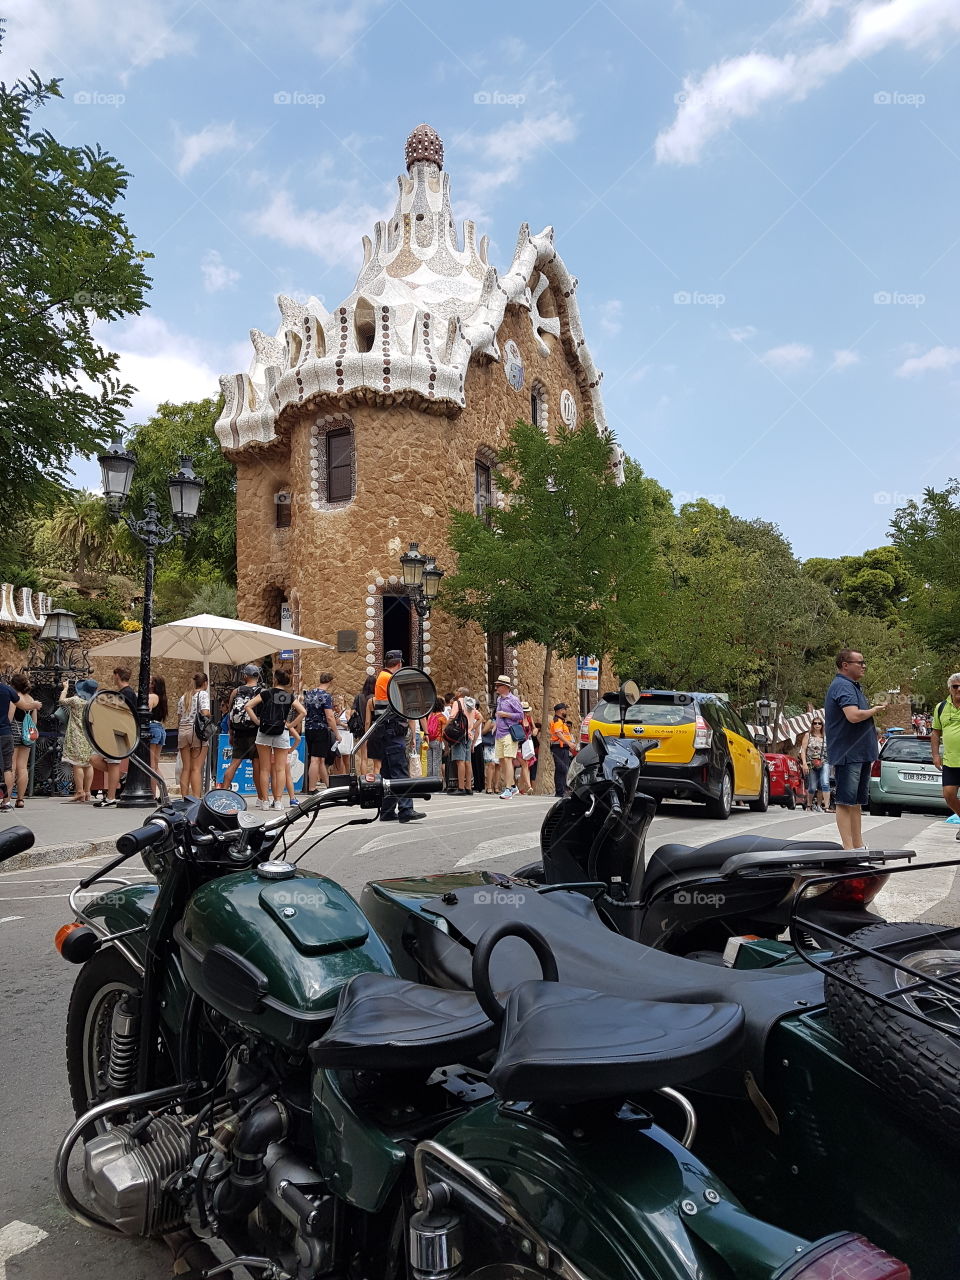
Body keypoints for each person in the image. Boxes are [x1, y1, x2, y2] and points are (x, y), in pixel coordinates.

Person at [824, 649, 887, 850]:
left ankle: (858, 845)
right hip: (848, 753)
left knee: (857, 801)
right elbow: (853, 716)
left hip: (858, 753)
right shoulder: (842, 686)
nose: (864, 666)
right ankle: (848, 847)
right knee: (845, 801)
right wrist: (874, 711)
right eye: (860, 662)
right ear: (845, 665)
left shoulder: (852, 687)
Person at [369, 650, 424, 823]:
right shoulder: (391, 679)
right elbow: (404, 704)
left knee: (388, 774)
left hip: (385, 733)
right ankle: (406, 809)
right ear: (399, 664)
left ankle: (386, 811)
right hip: (392, 732)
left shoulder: (382, 677)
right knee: (400, 772)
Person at [246, 670, 305, 810]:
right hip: (281, 732)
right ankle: (278, 801)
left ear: (275, 679)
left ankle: (265, 801)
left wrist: (256, 721)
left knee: (264, 769)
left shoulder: (266, 693)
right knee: (280, 769)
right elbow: (303, 712)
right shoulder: (289, 696)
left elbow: (248, 706)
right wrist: (290, 725)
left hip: (264, 732)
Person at [91, 666, 139, 807]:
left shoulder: (126, 693)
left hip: (118, 733)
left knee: (113, 763)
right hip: (116, 732)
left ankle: (110, 797)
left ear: (117, 675)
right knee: (95, 759)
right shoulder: (124, 693)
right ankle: (122, 776)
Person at [221, 665, 264, 794]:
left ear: (245, 676)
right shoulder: (262, 692)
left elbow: (230, 714)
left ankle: (223, 791)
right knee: (257, 765)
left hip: (239, 731)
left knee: (234, 764)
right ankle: (261, 797)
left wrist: (231, 732)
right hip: (256, 732)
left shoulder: (236, 691)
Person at [930, 672, 960, 840]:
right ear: (950, 688)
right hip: (950, 761)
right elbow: (935, 733)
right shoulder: (941, 707)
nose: (959, 689)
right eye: (955, 686)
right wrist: (935, 755)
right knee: (949, 796)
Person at [59, 677, 97, 803]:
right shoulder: (94, 703)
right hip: (90, 736)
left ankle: (79, 791)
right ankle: (87, 792)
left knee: (77, 764)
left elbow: (61, 701)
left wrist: (65, 688)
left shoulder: (76, 700)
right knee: (88, 763)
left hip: (76, 734)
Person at [175, 672, 210, 801]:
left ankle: (184, 797)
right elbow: (205, 712)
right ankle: (196, 798)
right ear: (205, 683)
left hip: (183, 731)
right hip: (196, 732)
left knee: (186, 768)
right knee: (196, 768)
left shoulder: (184, 697)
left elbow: (179, 717)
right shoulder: (203, 694)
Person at [9, 673, 41, 809]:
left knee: (11, 767)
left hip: (14, 732)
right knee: (23, 767)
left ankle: (7, 798)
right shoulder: (31, 699)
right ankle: (21, 799)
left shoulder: (14, 698)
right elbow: (34, 721)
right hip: (27, 734)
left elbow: (9, 718)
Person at [304, 672, 339, 792]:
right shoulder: (326, 696)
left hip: (309, 728)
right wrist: (337, 733)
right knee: (316, 759)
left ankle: (328, 785)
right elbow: (329, 716)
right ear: (330, 682)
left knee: (320, 759)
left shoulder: (309, 694)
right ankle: (312, 788)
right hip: (320, 729)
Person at [493, 674, 524, 799]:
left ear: (505, 687)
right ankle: (512, 787)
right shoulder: (499, 700)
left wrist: (506, 714)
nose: (496, 688)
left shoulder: (514, 700)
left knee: (507, 759)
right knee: (501, 760)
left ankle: (508, 790)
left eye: (498, 686)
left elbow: (521, 715)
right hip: (499, 733)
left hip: (509, 733)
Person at [444, 686, 473, 795]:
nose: (455, 692)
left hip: (459, 735)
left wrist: (444, 728)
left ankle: (460, 788)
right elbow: (478, 717)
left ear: (460, 693)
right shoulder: (471, 703)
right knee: (467, 762)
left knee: (460, 761)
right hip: (469, 734)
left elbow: (452, 717)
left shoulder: (458, 703)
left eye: (457, 691)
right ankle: (468, 787)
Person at [799, 717, 830, 813]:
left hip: (824, 762)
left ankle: (824, 806)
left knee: (824, 783)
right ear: (812, 725)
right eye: (815, 723)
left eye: (819, 723)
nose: (817, 725)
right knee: (812, 786)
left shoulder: (825, 736)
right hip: (811, 764)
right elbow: (803, 750)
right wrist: (804, 763)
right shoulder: (808, 735)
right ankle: (809, 804)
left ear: (822, 725)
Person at [0, 675, 20, 811]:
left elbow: (11, 716)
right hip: (7, 733)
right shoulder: (8, 691)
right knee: (9, 768)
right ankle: (6, 802)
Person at [147, 676, 168, 798]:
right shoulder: (162, 698)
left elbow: (146, 711)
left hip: (152, 728)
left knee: (151, 766)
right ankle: (163, 794)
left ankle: (153, 794)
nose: (148, 684)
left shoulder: (152, 697)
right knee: (155, 764)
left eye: (151, 682)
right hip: (160, 728)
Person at [549, 702, 575, 798]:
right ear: (560, 711)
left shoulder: (561, 721)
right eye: (565, 709)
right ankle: (561, 791)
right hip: (558, 748)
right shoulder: (557, 721)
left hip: (562, 748)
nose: (566, 711)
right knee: (562, 769)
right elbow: (559, 734)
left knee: (562, 770)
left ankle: (562, 790)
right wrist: (569, 743)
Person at [516, 700, 536, 795]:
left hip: (527, 745)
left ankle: (520, 787)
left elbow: (534, 729)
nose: (525, 713)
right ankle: (528, 786)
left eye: (526, 711)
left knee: (526, 766)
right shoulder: (517, 720)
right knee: (524, 765)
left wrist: (534, 731)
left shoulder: (529, 719)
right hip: (519, 745)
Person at [425, 697, 446, 778]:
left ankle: (429, 781)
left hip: (429, 740)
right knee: (436, 762)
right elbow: (443, 732)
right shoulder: (442, 717)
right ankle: (435, 781)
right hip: (437, 740)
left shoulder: (430, 716)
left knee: (429, 762)